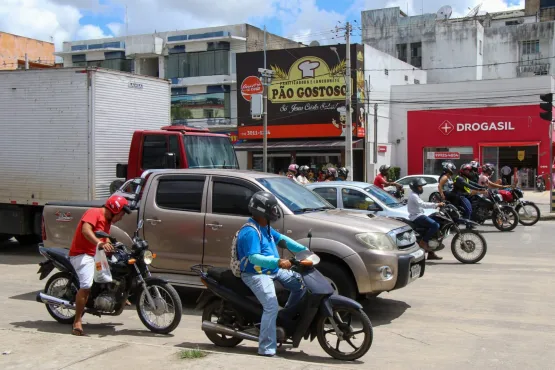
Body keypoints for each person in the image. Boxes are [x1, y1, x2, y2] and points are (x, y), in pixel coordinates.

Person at [237, 191, 307, 357]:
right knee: (271, 304)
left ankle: (285, 318)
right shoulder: (250, 231)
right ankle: (266, 347)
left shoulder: (265, 227)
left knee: (301, 285)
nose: (275, 212)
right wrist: (277, 261)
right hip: (255, 274)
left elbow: (282, 239)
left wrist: (304, 251)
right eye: (272, 209)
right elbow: (254, 258)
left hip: (273, 271)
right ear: (262, 211)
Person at [69, 195, 131, 336]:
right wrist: (99, 243)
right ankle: (77, 321)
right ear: (114, 210)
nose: (121, 217)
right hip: (82, 254)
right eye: (121, 214)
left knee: (119, 267)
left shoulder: (108, 221)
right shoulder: (94, 213)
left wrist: (111, 244)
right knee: (86, 286)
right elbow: (86, 230)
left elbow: (104, 236)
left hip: (97, 254)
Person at [407, 178, 444, 261]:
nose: (421, 188)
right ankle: (423, 242)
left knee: (435, 222)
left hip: (420, 214)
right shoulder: (413, 196)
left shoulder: (415, 195)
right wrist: (436, 204)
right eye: (420, 187)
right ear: (416, 187)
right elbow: (422, 204)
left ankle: (431, 253)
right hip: (416, 217)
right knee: (435, 225)